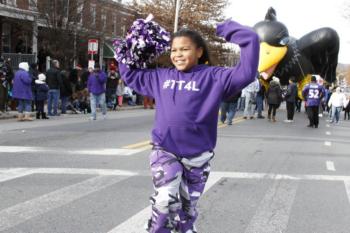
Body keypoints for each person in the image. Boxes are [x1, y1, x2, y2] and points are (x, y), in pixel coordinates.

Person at [118, 19, 259, 233]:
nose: (178, 54)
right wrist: (129, 47)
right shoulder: (161, 76)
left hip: (198, 157)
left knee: (187, 212)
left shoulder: (215, 77)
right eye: (174, 50)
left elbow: (246, 73)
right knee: (164, 200)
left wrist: (239, 34)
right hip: (165, 151)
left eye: (185, 49)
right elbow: (129, 75)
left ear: (199, 51)